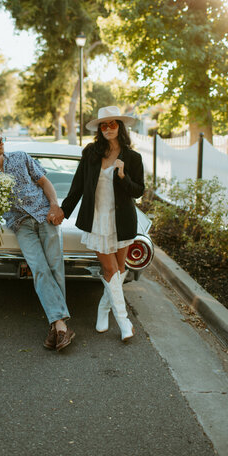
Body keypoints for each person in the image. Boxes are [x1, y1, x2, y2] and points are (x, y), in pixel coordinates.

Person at [0, 123, 75, 352]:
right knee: (39, 269)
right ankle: (61, 326)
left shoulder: (21, 157)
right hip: (20, 225)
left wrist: (54, 206)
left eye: (2, 139)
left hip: (45, 217)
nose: (2, 143)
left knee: (54, 266)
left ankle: (57, 326)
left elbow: (44, 182)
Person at [60, 106, 144, 342]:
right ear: (99, 129)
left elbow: (138, 191)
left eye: (112, 124)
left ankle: (103, 310)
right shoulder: (91, 153)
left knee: (120, 269)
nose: (108, 128)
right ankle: (125, 322)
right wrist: (63, 211)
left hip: (122, 220)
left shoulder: (133, 157)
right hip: (97, 219)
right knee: (111, 270)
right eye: (103, 125)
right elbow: (77, 185)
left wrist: (123, 176)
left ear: (120, 126)